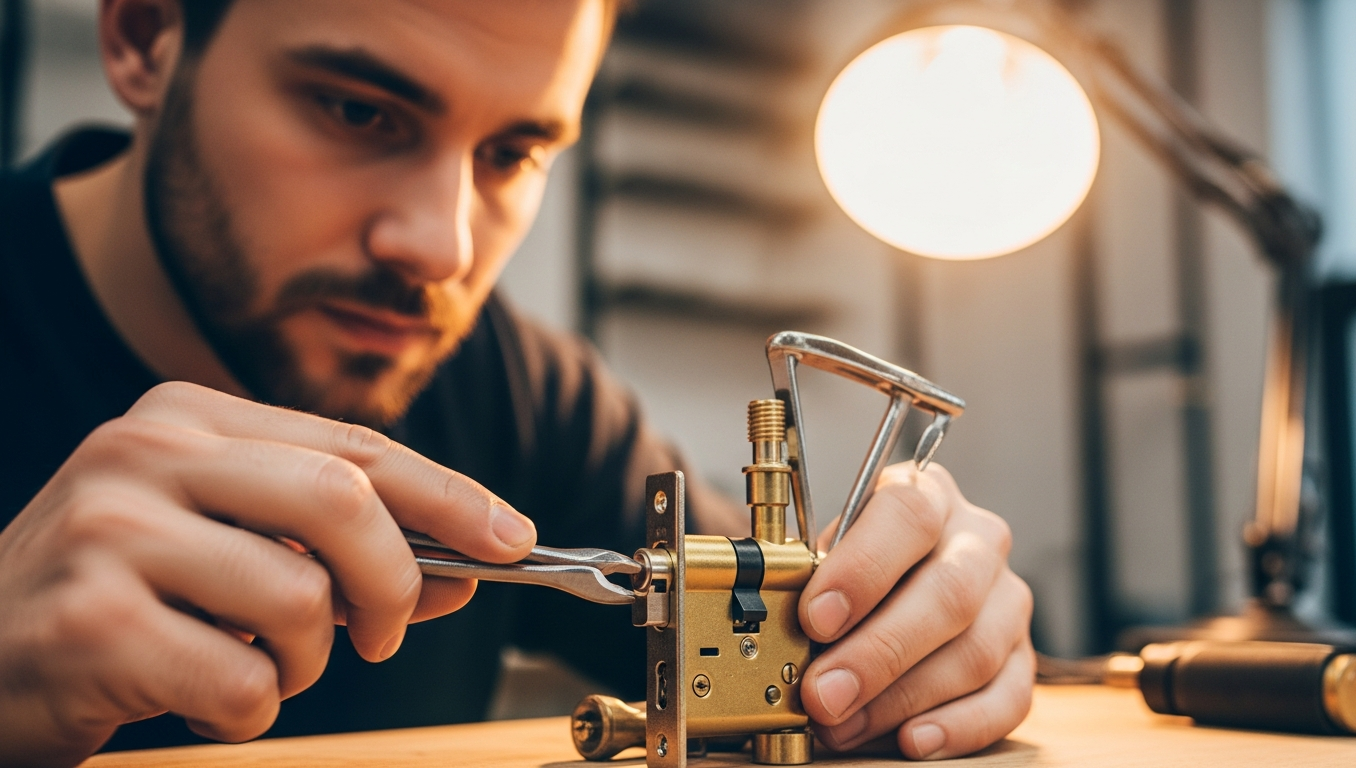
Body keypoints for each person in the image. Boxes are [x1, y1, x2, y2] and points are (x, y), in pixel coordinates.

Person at [0, 0, 1035, 765]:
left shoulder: (526, 391)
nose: (440, 246)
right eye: (361, 113)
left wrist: (917, 615)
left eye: (513, 152)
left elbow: (788, 636)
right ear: (144, 38)